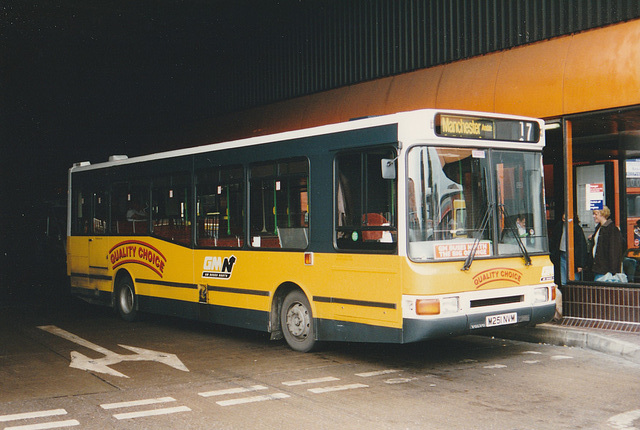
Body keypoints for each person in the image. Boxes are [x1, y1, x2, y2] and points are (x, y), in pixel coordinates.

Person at [550, 213, 588, 285]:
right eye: (563, 219)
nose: (564, 221)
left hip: (573, 255)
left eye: (566, 219)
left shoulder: (576, 229)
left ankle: (574, 291)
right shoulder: (559, 226)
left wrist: (580, 264)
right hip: (562, 253)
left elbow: (582, 247)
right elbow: (554, 240)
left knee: (574, 277)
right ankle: (565, 291)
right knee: (563, 276)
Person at [588, 206, 623, 282]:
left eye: (596, 214)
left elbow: (614, 251)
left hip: (605, 270)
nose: (594, 216)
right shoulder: (599, 228)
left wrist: (613, 271)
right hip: (598, 268)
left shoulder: (612, 229)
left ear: (603, 214)